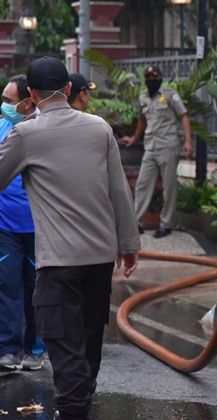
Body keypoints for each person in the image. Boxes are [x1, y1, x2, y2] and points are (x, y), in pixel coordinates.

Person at [0, 56, 140, 420]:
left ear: (30, 94)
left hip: (58, 262)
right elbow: (118, 191)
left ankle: (74, 410)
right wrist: (129, 245)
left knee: (65, 348)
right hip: (99, 258)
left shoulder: (25, 134)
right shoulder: (99, 128)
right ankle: (79, 404)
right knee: (88, 342)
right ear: (67, 89)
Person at [0, 75, 45, 372]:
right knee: (7, 287)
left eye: (9, 100)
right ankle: (8, 349)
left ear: (29, 101)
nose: (4, 106)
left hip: (41, 225)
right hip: (5, 226)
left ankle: (36, 349)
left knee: (38, 290)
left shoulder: (45, 129)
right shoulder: (2, 126)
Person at [122, 65, 194, 238]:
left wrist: (188, 142)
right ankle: (137, 222)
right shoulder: (143, 96)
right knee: (142, 184)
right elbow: (142, 119)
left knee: (169, 186)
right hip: (150, 146)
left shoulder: (169, 94)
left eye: (154, 77)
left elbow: (183, 115)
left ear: (160, 78)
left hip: (168, 145)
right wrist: (134, 138)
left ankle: (166, 223)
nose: (151, 80)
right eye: (148, 78)